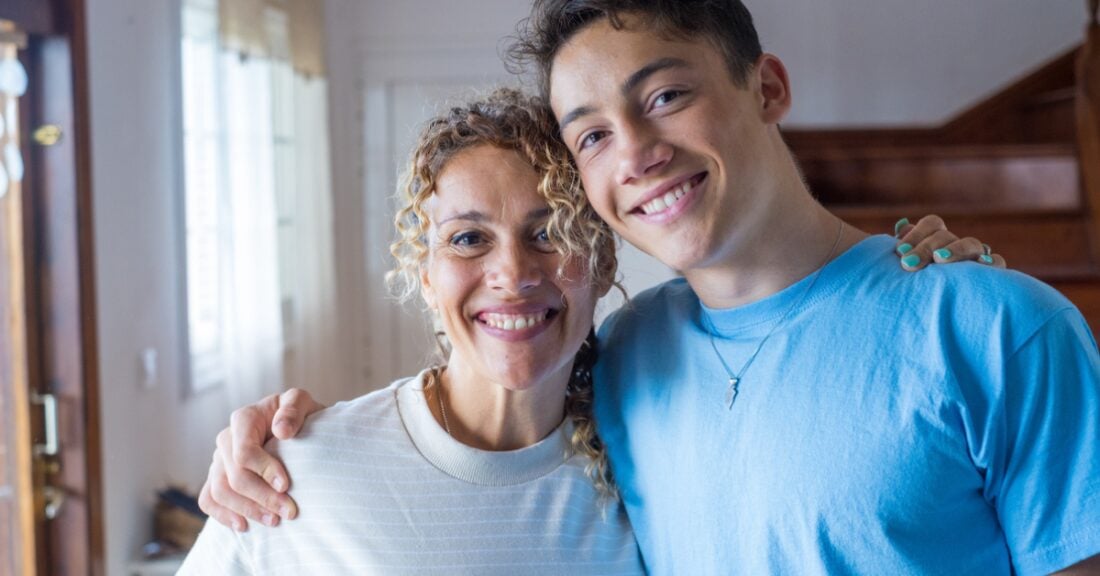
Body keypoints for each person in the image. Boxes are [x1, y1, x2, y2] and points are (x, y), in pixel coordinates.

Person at [201, 1, 1100, 574]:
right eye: (590, 134)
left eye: (665, 95)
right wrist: (267, 443)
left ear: (769, 87)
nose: (634, 150)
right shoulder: (627, 362)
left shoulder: (995, 327)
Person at [178, 89, 645, 574]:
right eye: (468, 239)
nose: (513, 272)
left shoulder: (643, 477)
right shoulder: (298, 473)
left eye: (549, 233)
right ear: (425, 277)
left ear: (603, 261)